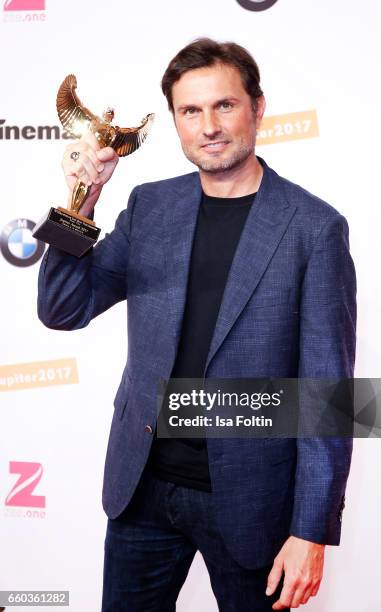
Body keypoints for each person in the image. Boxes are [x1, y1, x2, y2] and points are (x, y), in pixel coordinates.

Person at [37, 38, 356, 611]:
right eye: (190, 111)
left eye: (224, 106)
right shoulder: (151, 207)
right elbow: (63, 308)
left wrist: (311, 530)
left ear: (258, 109)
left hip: (251, 502)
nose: (208, 126)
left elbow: (327, 395)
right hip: (141, 492)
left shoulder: (314, 228)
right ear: (177, 122)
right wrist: (82, 200)